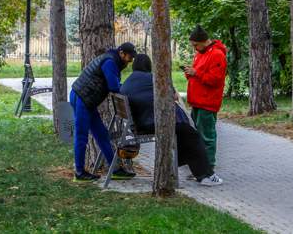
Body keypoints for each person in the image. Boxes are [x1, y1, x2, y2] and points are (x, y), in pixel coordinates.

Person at [121, 54, 223, 186]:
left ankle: (181, 163)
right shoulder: (152, 79)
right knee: (192, 135)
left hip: (139, 123)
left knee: (184, 133)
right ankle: (206, 175)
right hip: (152, 124)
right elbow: (174, 95)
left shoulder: (129, 80)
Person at [70, 42, 138, 182]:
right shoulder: (110, 62)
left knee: (102, 134)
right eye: (129, 58)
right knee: (81, 135)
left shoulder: (113, 61)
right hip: (82, 97)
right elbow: (114, 86)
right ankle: (79, 172)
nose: (130, 61)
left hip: (88, 99)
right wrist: (130, 89)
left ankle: (115, 169)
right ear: (121, 53)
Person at [183, 25, 226, 173]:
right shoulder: (201, 53)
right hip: (197, 101)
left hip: (207, 102)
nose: (194, 48)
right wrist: (190, 72)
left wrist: (196, 73)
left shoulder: (217, 55)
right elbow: (199, 72)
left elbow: (216, 80)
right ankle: (201, 166)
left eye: (195, 45)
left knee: (207, 136)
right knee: (199, 136)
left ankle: (208, 167)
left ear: (203, 41)